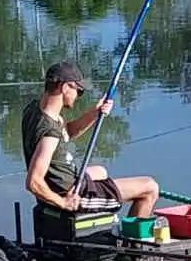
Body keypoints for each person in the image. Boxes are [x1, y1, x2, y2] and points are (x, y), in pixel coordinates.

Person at [22, 62, 159, 218]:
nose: (79, 96)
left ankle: (107, 196)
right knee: (149, 187)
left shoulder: (34, 110)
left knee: (101, 171)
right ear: (65, 87)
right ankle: (133, 241)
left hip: (64, 181)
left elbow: (67, 132)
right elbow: (33, 182)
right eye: (79, 91)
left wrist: (95, 113)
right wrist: (63, 202)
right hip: (74, 194)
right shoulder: (50, 133)